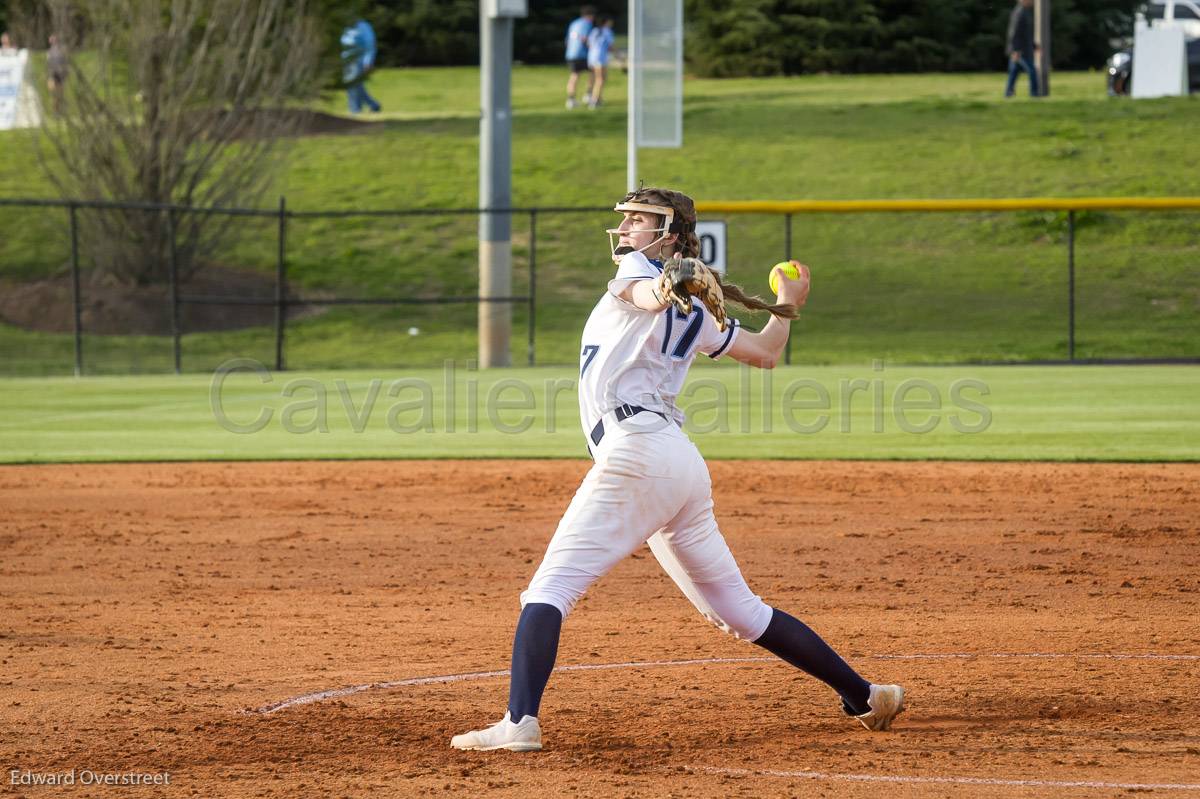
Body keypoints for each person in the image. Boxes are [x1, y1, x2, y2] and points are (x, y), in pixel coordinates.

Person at [450, 187, 905, 752]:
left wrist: (678, 286)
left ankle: (519, 723)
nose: (627, 229)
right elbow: (766, 351)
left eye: (640, 220)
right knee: (739, 611)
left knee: (550, 587)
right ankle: (866, 696)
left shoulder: (639, 275)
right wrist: (787, 303)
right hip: (676, 462)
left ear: (668, 235)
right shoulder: (688, 304)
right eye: (628, 219)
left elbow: (644, 295)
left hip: (639, 453)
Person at [341, 19, 381, 114]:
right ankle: (373, 105)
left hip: (358, 60)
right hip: (345, 59)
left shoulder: (363, 26)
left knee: (352, 84)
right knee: (357, 86)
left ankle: (355, 110)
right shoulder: (344, 26)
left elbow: (370, 44)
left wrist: (368, 61)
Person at [1005, 0, 1040, 97]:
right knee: (1032, 71)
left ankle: (1008, 93)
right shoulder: (1019, 13)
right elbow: (1014, 33)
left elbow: (1026, 33)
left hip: (1022, 49)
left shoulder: (1025, 12)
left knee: (1014, 73)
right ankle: (1034, 94)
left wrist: (1034, 45)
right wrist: (1015, 50)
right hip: (1020, 51)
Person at [564, 6, 595, 109]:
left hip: (571, 54)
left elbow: (568, 40)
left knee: (574, 75)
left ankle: (571, 99)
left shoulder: (574, 23)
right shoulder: (587, 24)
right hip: (582, 54)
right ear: (590, 16)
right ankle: (588, 95)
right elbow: (585, 39)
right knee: (593, 73)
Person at [585, 17, 615, 109]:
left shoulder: (594, 31)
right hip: (600, 58)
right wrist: (620, 56)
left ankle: (592, 96)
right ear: (606, 22)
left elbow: (588, 44)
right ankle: (594, 101)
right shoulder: (607, 31)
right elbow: (610, 46)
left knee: (594, 78)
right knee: (600, 79)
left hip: (591, 58)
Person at [46, 34, 68, 114]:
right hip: (52, 75)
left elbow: (64, 62)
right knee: (54, 94)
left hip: (60, 75)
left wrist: (65, 72)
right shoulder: (49, 52)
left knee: (60, 94)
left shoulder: (61, 50)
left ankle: (61, 110)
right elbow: (48, 65)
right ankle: (55, 111)